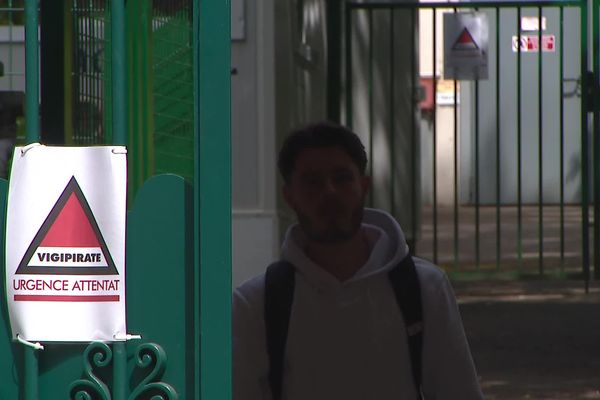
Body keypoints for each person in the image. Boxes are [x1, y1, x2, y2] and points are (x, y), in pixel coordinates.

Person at [233, 121, 484, 400]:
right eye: (312, 181)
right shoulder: (257, 304)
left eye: (342, 178)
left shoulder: (423, 287)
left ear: (363, 186)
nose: (329, 192)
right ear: (289, 195)